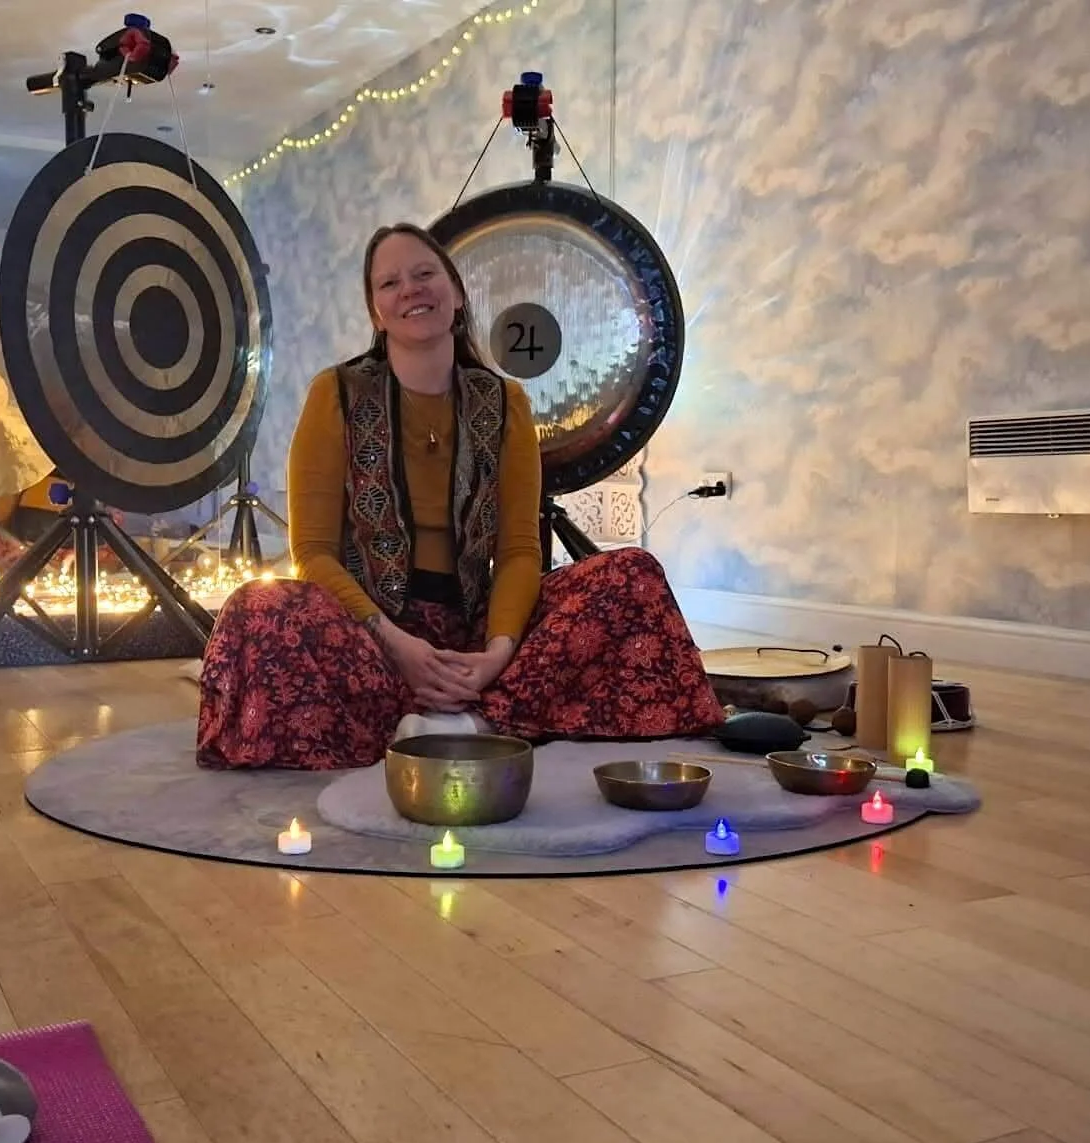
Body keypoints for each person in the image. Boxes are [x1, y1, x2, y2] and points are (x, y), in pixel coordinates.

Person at [195, 222, 724, 770]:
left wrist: (496, 653)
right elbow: (313, 553)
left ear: (457, 292)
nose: (410, 290)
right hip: (370, 637)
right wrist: (395, 644)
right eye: (390, 284)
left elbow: (519, 549)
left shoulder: (505, 402)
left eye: (425, 274)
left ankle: (470, 717)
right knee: (255, 609)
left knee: (632, 576)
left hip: (474, 630)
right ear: (376, 313)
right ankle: (473, 716)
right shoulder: (336, 393)